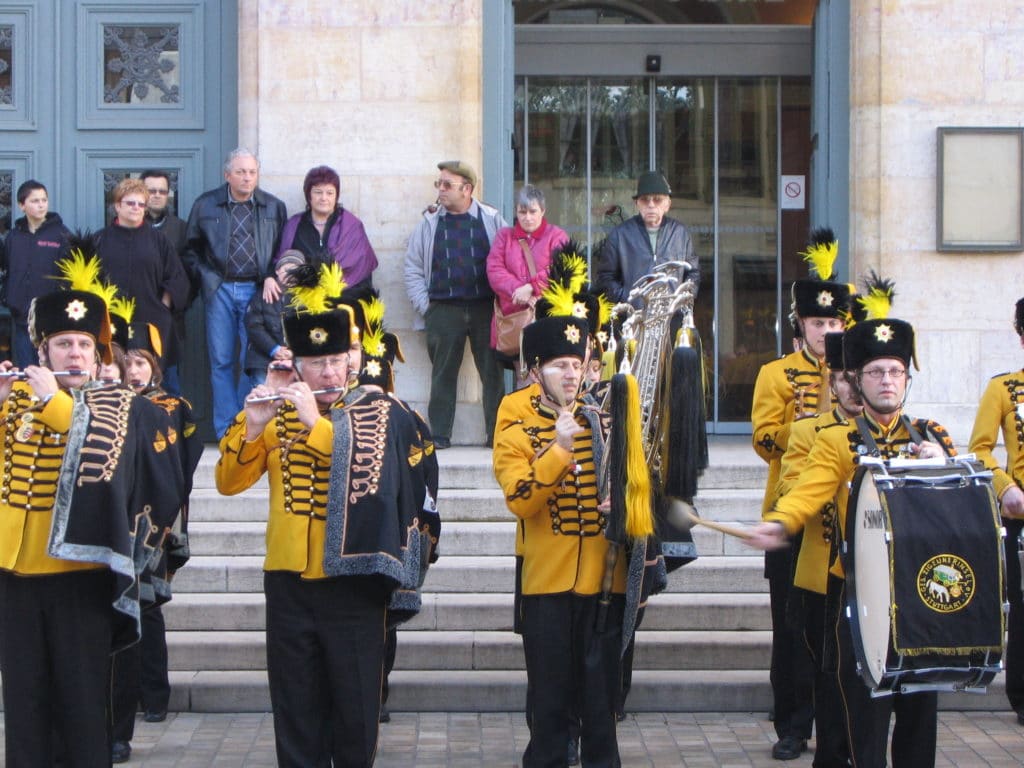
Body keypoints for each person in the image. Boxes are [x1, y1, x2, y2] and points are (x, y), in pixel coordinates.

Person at [216, 264, 430, 767]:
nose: (329, 372)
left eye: (337, 360)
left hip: (355, 581)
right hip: (289, 581)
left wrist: (316, 425)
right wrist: (251, 427)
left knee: (355, 716)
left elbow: (378, 472)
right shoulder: (276, 412)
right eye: (317, 363)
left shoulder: (377, 411)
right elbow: (227, 483)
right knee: (296, 714)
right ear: (298, 366)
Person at [748, 311, 956, 768]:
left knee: (920, 716)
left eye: (896, 371)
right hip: (860, 596)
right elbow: (809, 488)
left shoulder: (931, 436)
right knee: (863, 718)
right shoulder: (836, 441)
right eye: (876, 372)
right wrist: (781, 522)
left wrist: (942, 464)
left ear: (907, 377)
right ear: (856, 380)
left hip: (918, 596)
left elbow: (961, 507)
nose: (887, 381)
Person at [0, 264, 182, 767]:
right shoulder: (15, 400)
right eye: (63, 346)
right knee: (24, 701)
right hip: (15, 571)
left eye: (84, 346)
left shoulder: (115, 404)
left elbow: (105, 459)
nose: (74, 355)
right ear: (42, 352)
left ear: (99, 354)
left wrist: (50, 399)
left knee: (82, 704)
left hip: (79, 574)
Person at [492, 280, 664, 767]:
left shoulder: (609, 411)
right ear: (534, 371)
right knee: (549, 707)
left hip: (603, 583)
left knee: (601, 708)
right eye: (559, 365)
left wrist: (626, 506)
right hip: (547, 584)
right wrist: (559, 450)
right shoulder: (515, 417)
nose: (571, 375)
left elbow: (642, 485)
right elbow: (519, 497)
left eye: (578, 364)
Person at [750, 230, 850, 761]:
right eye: (818, 323)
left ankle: (842, 718)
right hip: (788, 512)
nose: (827, 331)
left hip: (844, 518)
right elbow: (765, 439)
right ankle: (792, 723)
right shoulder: (775, 373)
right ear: (801, 326)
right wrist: (805, 426)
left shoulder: (856, 375)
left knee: (835, 626)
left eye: (835, 323)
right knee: (790, 628)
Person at [107, 307, 202, 763]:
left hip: (157, 517)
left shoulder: (172, 407)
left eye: (141, 363)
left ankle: (155, 695)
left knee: (150, 608)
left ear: (156, 366)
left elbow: (184, 462)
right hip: (113, 526)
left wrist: (169, 513)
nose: (134, 371)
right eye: (128, 363)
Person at [773, 330, 863, 768]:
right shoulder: (809, 431)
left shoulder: (901, 431)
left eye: (858, 376)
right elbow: (788, 488)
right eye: (844, 378)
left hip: (875, 577)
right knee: (828, 674)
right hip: (821, 573)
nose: (853, 386)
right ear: (831, 381)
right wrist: (823, 483)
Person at [183, 148, 288, 437]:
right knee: (221, 360)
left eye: (252, 172)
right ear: (227, 174)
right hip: (221, 289)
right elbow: (190, 250)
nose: (247, 178)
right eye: (240, 172)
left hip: (258, 292)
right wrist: (208, 279)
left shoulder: (273, 207)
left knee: (252, 359)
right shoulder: (206, 205)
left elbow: (282, 249)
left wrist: (269, 276)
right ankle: (226, 428)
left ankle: (247, 422)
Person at [403, 160, 507, 448]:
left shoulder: (491, 219)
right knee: (442, 373)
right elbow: (412, 266)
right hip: (443, 309)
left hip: (484, 308)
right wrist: (428, 308)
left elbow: (509, 258)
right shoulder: (429, 223)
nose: (441, 190)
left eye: (447, 185)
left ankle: (496, 434)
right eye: (440, 184)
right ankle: (439, 435)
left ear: (467, 189)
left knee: (492, 373)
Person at [968, 296, 1024, 726]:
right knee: (1021, 608)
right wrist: (1004, 487)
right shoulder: (1003, 388)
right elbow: (980, 450)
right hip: (1021, 510)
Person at [95, 178, 191, 371]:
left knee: (158, 383)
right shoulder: (99, 240)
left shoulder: (159, 241)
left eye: (141, 204)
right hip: (111, 323)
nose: (136, 208)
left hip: (152, 323)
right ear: (117, 205)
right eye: (130, 203)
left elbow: (176, 276)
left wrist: (164, 305)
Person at [486, 184, 568, 366]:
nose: (528, 217)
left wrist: (532, 288)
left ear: (543, 211)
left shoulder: (557, 236)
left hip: (546, 315)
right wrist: (518, 291)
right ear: (516, 211)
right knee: (521, 376)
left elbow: (561, 269)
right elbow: (495, 270)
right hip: (514, 318)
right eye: (523, 212)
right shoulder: (504, 236)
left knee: (547, 372)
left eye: (533, 211)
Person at [594, 171, 700, 304]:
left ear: (667, 204)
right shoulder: (620, 234)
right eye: (645, 199)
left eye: (657, 199)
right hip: (634, 318)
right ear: (637, 204)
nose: (651, 205)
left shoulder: (680, 233)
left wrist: (681, 300)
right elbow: (605, 277)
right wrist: (628, 299)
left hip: (671, 317)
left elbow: (693, 273)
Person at [0, 179, 71, 367]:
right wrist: (10, 297)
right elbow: (8, 270)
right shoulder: (14, 237)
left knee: (49, 370)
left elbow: (70, 275)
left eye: (44, 200)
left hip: (51, 317)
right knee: (26, 371)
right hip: (22, 317)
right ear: (21, 205)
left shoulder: (62, 235)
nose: (41, 205)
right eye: (35, 201)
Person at [276, 165, 378, 293]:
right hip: (302, 302)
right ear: (309, 195)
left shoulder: (352, 226)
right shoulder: (294, 226)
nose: (324, 198)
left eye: (329, 193)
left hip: (344, 302)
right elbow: (281, 262)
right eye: (318, 192)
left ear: (336, 196)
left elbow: (362, 271)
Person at [141, 169, 190, 395]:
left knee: (169, 380)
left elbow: (189, 270)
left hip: (168, 317)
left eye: (162, 191)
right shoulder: (126, 227)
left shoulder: (180, 228)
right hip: (135, 315)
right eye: (151, 191)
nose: (157, 195)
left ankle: (174, 428)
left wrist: (172, 301)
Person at [245, 250, 306, 385]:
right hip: (263, 358)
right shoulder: (261, 296)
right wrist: (274, 349)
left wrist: (293, 352)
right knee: (263, 395)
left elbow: (309, 331)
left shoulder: (306, 299)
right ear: (277, 271)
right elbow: (254, 327)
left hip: (295, 360)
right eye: (287, 270)